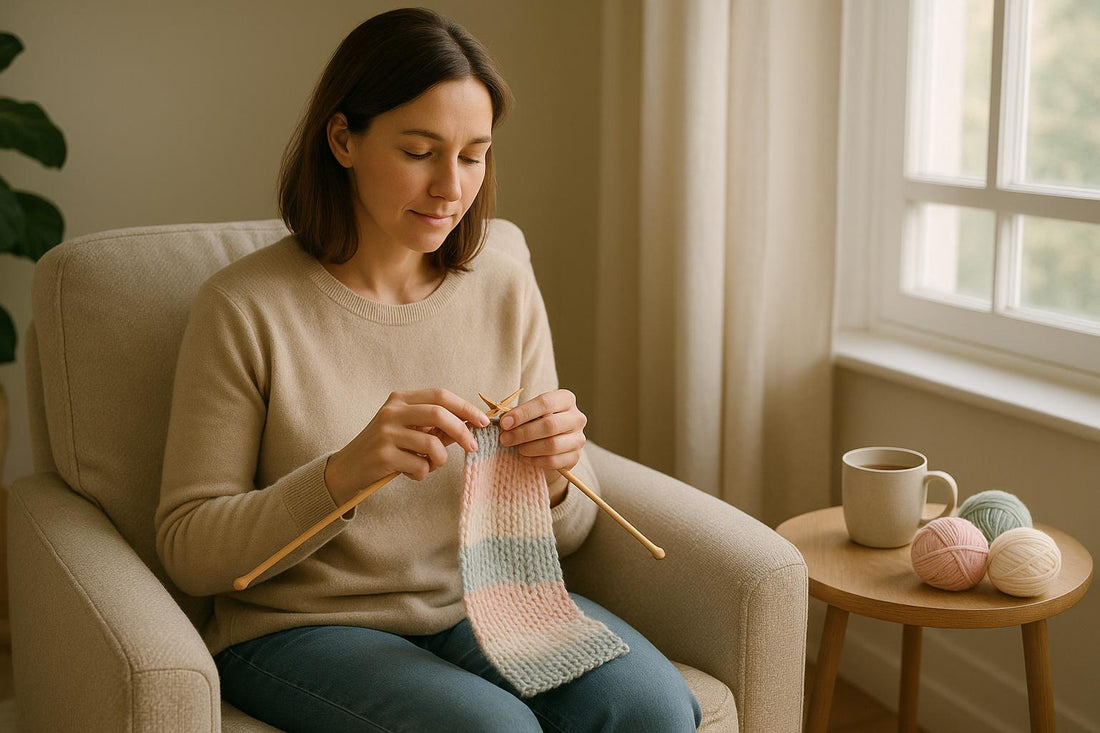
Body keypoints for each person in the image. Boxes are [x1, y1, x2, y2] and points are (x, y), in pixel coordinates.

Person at [156, 8, 702, 732]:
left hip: (493, 597)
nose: (451, 186)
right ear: (344, 139)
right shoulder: (243, 307)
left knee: (654, 709)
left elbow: (567, 534)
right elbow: (188, 550)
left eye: (473, 155)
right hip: (300, 627)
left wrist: (555, 470)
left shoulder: (503, 283)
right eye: (420, 151)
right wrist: (342, 474)